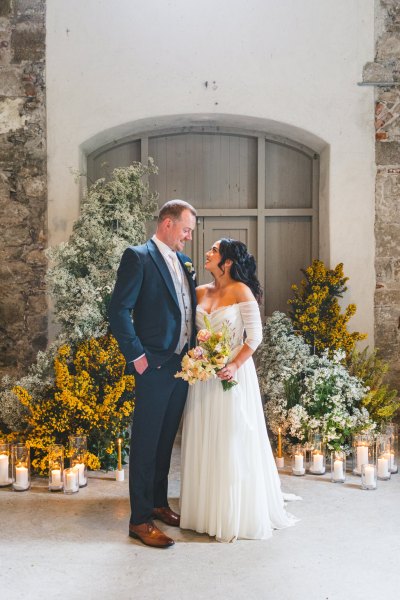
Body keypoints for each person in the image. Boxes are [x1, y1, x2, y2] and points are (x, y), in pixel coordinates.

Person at [180, 238, 299, 542]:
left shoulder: (241, 291)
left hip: (232, 375)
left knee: (230, 438)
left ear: (227, 262)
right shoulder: (199, 291)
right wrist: (196, 359)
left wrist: (232, 365)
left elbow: (254, 338)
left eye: (214, 251)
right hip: (203, 378)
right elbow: (190, 333)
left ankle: (231, 512)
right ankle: (203, 511)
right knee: (204, 437)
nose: (207, 253)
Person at [108, 199, 197, 548]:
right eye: (186, 229)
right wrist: (137, 357)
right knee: (145, 444)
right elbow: (118, 310)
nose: (188, 237)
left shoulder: (185, 262)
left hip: (183, 366)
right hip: (153, 366)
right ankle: (139, 520)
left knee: (165, 443)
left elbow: (187, 310)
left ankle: (159, 503)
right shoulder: (138, 257)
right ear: (167, 223)